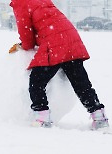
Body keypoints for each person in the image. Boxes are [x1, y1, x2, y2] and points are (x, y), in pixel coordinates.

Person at [9, 0, 109, 129]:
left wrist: (22, 46)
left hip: (54, 44)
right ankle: (99, 117)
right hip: (71, 40)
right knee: (81, 84)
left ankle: (42, 117)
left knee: (36, 82)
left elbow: (26, 34)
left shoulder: (21, 3)